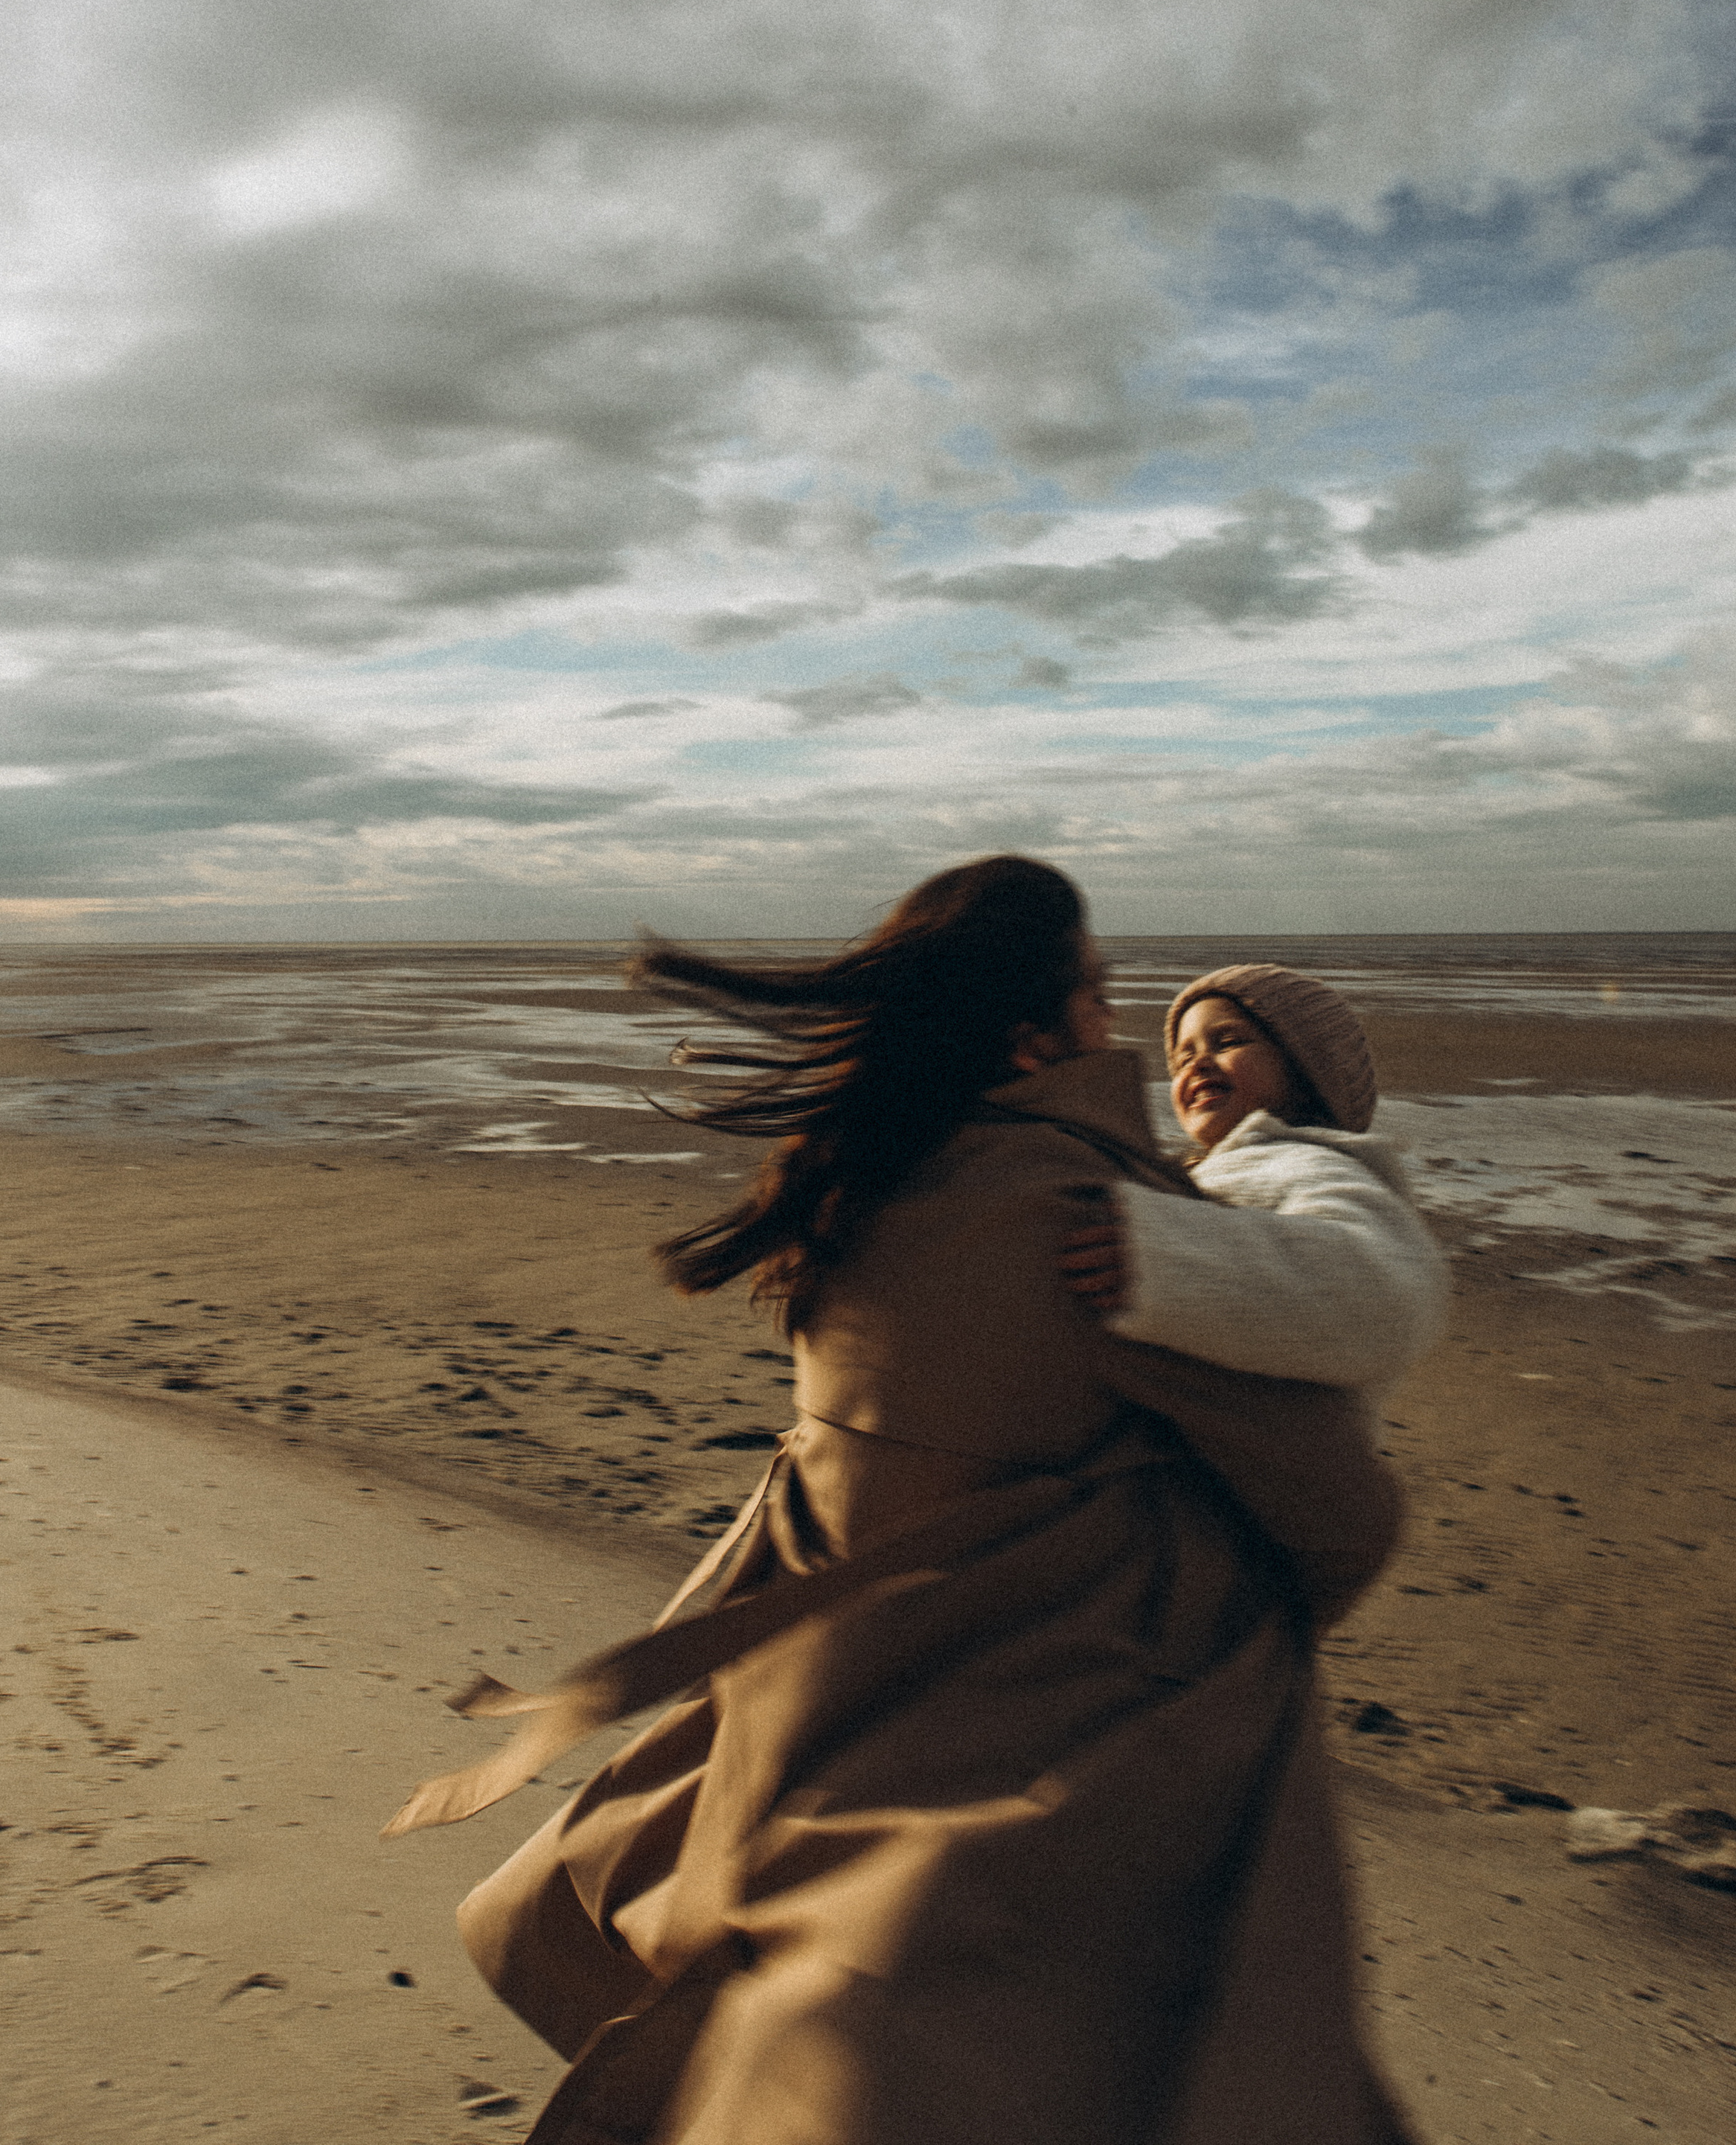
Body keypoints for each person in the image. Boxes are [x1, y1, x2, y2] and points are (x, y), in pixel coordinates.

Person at [387, 860, 1421, 2145]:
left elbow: (823, 1469)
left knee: (759, 2008)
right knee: (1124, 2063)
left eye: (1226, 1044)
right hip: (1047, 1745)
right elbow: (1337, 1505)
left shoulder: (849, 1197)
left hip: (809, 1709)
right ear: (1047, 1026)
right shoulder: (1097, 1217)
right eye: (1115, 1002)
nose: (1147, 1044)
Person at [1060, 962, 1448, 1393]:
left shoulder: (1306, 1163)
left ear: (1305, 1073)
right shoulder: (1209, 1166)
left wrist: (1167, 1255)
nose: (1198, 1063)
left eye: (1228, 1041)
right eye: (1182, 1056)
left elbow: (1388, 1293)